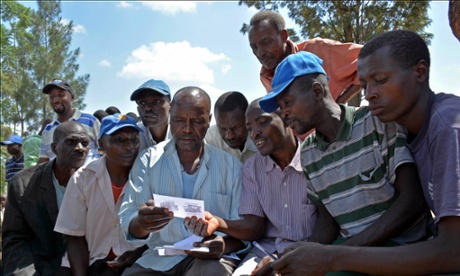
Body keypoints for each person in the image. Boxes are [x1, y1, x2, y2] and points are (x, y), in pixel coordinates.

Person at [270, 30, 460, 275]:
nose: (369, 93)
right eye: (365, 83)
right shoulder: (310, 153)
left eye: (380, 80)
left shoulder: (442, 127)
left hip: (400, 248)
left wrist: (336, 256)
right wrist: (300, 256)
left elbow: (445, 241)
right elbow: (328, 222)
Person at [119, 86, 245, 275]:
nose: (187, 129)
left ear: (208, 121)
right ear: (170, 117)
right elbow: (129, 222)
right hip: (160, 258)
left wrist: (224, 245)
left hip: (210, 259)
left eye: (197, 121)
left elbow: (242, 229)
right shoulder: (148, 160)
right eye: (179, 120)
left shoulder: (231, 167)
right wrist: (143, 223)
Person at [185, 97, 318, 275]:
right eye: (250, 128)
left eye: (262, 122)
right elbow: (254, 225)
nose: (254, 133)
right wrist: (218, 223)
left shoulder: (314, 158)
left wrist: (288, 259)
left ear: (285, 118)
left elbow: (327, 223)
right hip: (265, 250)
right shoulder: (252, 168)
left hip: (309, 251)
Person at [54, 114, 147, 275]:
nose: (129, 146)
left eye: (134, 139)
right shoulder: (83, 178)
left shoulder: (147, 177)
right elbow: (75, 237)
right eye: (119, 140)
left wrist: (139, 252)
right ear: (101, 144)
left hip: (133, 261)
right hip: (89, 260)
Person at [2, 121, 90, 276]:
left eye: (85, 143)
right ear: (54, 148)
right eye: (71, 142)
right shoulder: (23, 184)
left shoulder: (95, 182)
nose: (80, 148)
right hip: (39, 265)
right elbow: (15, 240)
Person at [248, 10, 363, 104]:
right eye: (254, 47)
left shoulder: (318, 49)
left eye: (266, 42)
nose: (260, 53)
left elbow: (367, 58)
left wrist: (339, 104)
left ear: (283, 36)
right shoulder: (265, 76)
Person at [38, 78, 100, 164]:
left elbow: (105, 150)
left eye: (61, 95)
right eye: (52, 97)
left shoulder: (91, 121)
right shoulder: (47, 130)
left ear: (72, 97)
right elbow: (43, 162)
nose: (56, 100)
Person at [205, 91, 257, 163]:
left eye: (235, 128)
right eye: (223, 129)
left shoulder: (263, 135)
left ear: (247, 119)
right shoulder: (209, 140)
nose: (230, 136)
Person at [130, 79, 172, 151]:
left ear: (171, 105)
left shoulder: (182, 132)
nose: (148, 108)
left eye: (156, 101)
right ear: (137, 108)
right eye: (142, 103)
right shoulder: (134, 136)